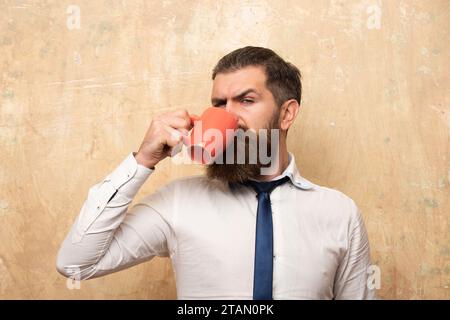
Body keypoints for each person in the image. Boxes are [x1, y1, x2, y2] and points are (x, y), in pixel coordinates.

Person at [56, 46, 376, 300]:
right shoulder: (178, 202)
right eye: (219, 104)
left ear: (287, 113)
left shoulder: (339, 213)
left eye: (246, 100)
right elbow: (76, 264)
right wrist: (142, 160)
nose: (229, 117)